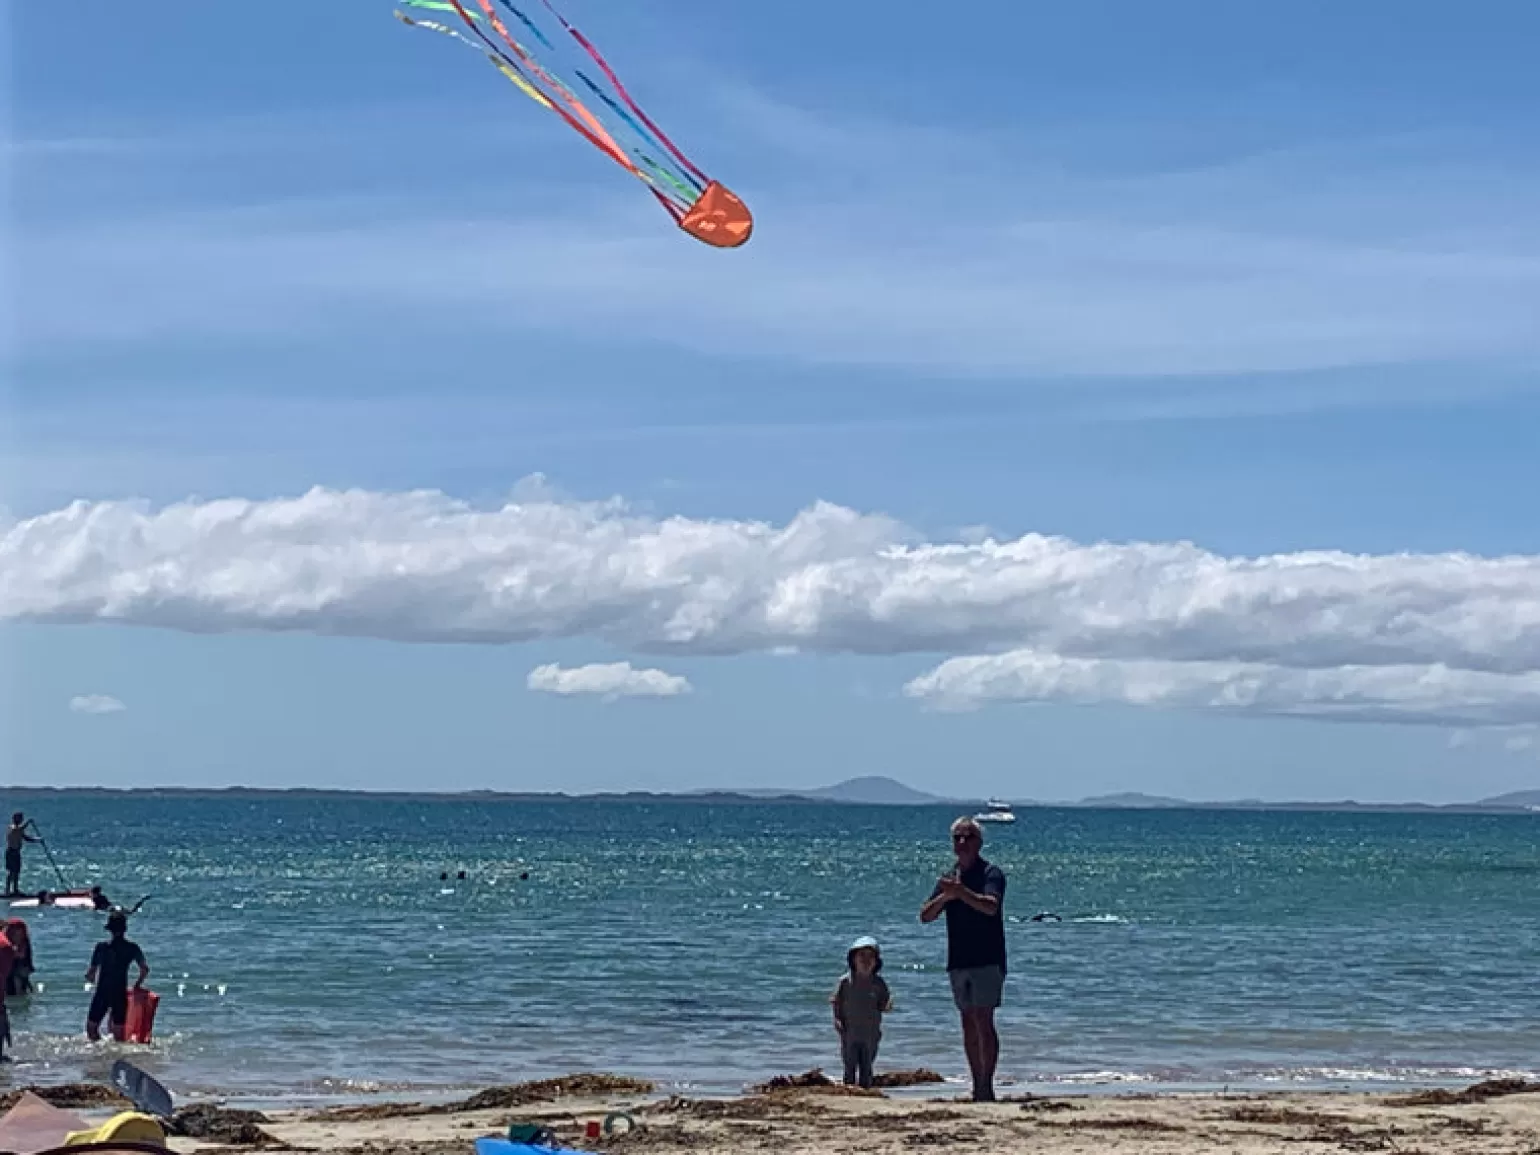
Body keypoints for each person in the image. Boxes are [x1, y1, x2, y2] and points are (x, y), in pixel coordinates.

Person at [919, 816, 1007, 1102]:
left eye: (967, 837)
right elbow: (925, 916)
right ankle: (975, 1081)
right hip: (958, 960)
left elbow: (990, 907)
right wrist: (947, 896)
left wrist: (962, 893)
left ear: (979, 842)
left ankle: (986, 1084)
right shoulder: (949, 877)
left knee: (984, 1019)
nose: (962, 843)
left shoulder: (991, 873)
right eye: (957, 838)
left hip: (987, 959)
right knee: (967, 1021)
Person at [830, 935, 893, 1089]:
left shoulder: (878, 983)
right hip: (849, 1030)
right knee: (849, 1062)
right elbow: (835, 1001)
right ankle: (848, 1087)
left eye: (870, 957)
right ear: (853, 959)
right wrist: (837, 1019)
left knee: (867, 1063)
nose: (866, 960)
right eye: (861, 956)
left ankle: (866, 1088)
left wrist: (887, 1005)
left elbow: (884, 1003)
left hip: (870, 1032)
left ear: (876, 962)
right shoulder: (845, 981)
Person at [84, 911, 149, 1042]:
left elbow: (91, 974)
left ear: (110, 929)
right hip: (120, 992)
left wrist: (89, 977)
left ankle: (100, 1053)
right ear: (124, 929)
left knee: (92, 1028)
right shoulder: (132, 948)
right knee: (119, 1033)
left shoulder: (101, 948)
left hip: (102, 992)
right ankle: (117, 1056)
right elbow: (145, 969)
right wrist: (137, 984)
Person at [5, 814, 39, 898]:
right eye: (19, 819)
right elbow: (18, 829)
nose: (21, 820)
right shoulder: (12, 827)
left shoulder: (19, 830)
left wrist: (37, 840)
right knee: (11, 872)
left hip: (16, 853)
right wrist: (28, 822)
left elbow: (26, 838)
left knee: (16, 872)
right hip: (11, 853)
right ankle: (7, 891)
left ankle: (15, 890)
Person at [3, 920, 34, 999]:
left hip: (20, 971)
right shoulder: (4, 943)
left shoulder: (25, 943)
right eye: (13, 931)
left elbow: (26, 960)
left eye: (19, 931)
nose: (17, 935)